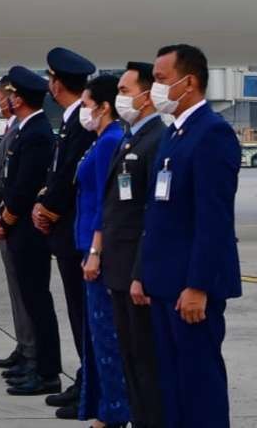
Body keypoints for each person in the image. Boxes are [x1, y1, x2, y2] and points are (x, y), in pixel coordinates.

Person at [136, 44, 242, 427]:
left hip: (190, 288)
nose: (155, 89)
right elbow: (158, 212)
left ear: (190, 81)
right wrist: (143, 273)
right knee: (173, 384)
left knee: (200, 383)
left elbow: (213, 221)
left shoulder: (212, 134)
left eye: (162, 80)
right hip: (165, 282)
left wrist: (198, 285)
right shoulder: (175, 134)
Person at [99, 63, 166, 428]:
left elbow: (149, 214)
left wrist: (141, 271)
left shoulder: (156, 139)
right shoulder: (130, 137)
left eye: (125, 90)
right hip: (119, 266)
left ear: (145, 93)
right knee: (130, 356)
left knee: (145, 359)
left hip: (135, 269)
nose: (120, 97)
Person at [31, 47, 96, 411]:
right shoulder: (72, 122)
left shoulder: (80, 125)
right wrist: (45, 201)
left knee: (82, 313)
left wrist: (48, 209)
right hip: (66, 230)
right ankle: (86, 380)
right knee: (77, 311)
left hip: (73, 233)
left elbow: (69, 176)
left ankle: (89, 382)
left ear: (56, 84)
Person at [0, 66, 63, 396]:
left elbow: (24, 186)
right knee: (30, 298)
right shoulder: (26, 130)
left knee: (37, 299)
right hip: (19, 226)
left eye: (10, 95)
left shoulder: (36, 134)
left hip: (27, 231)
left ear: (18, 99)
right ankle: (33, 362)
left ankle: (46, 371)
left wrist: (5, 218)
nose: (5, 100)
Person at [74, 75, 130, 427]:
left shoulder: (111, 141)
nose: (83, 111)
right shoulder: (98, 141)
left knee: (107, 337)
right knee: (95, 335)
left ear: (103, 106)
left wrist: (96, 249)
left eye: (87, 104)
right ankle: (100, 408)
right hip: (87, 243)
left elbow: (108, 203)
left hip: (100, 248)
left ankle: (113, 413)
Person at [0, 77, 38, 380]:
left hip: (15, 222)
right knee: (16, 290)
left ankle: (32, 350)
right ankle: (24, 344)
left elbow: (16, 181)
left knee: (25, 289)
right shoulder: (13, 129)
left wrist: (3, 212)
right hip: (4, 216)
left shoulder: (27, 131)